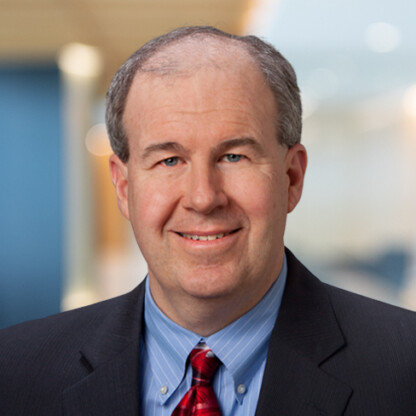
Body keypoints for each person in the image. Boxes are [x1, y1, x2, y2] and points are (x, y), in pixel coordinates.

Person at [0, 26, 415, 416]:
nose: (203, 197)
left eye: (233, 156)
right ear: (124, 188)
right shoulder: (15, 372)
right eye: (169, 160)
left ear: (292, 177)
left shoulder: (404, 368)